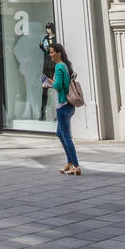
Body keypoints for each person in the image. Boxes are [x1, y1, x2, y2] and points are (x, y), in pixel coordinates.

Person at [43, 43, 80, 175]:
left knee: (66, 136)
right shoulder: (65, 65)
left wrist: (48, 81)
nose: (50, 55)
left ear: (58, 53)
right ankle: (70, 162)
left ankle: (75, 165)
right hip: (68, 106)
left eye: (52, 52)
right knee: (60, 134)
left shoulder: (59, 66)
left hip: (63, 106)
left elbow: (58, 85)